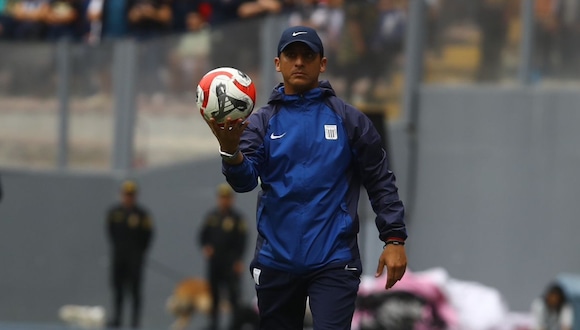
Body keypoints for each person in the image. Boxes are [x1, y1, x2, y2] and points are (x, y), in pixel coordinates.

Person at [206, 26, 408, 330]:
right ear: (278, 63)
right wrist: (230, 152)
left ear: (322, 63)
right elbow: (244, 181)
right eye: (291, 55)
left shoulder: (350, 120)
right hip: (276, 259)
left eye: (307, 55)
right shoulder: (261, 122)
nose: (299, 62)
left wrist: (394, 238)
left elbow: (380, 179)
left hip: (334, 260)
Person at [105, 180, 154, 329]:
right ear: (122, 195)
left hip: (135, 258)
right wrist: (120, 248)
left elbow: (148, 235)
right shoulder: (114, 213)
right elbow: (110, 232)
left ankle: (135, 321)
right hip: (119, 256)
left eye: (131, 195)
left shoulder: (142, 215)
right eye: (126, 194)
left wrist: (139, 252)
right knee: (118, 288)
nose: (129, 198)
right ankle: (117, 318)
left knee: (135, 290)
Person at [199, 183, 248, 330]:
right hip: (215, 263)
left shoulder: (237, 219)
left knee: (233, 296)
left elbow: (242, 241)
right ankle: (213, 324)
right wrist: (206, 247)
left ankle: (235, 325)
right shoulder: (212, 217)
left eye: (227, 198)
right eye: (222, 198)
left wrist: (239, 260)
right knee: (214, 296)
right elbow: (202, 235)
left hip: (231, 262)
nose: (224, 201)